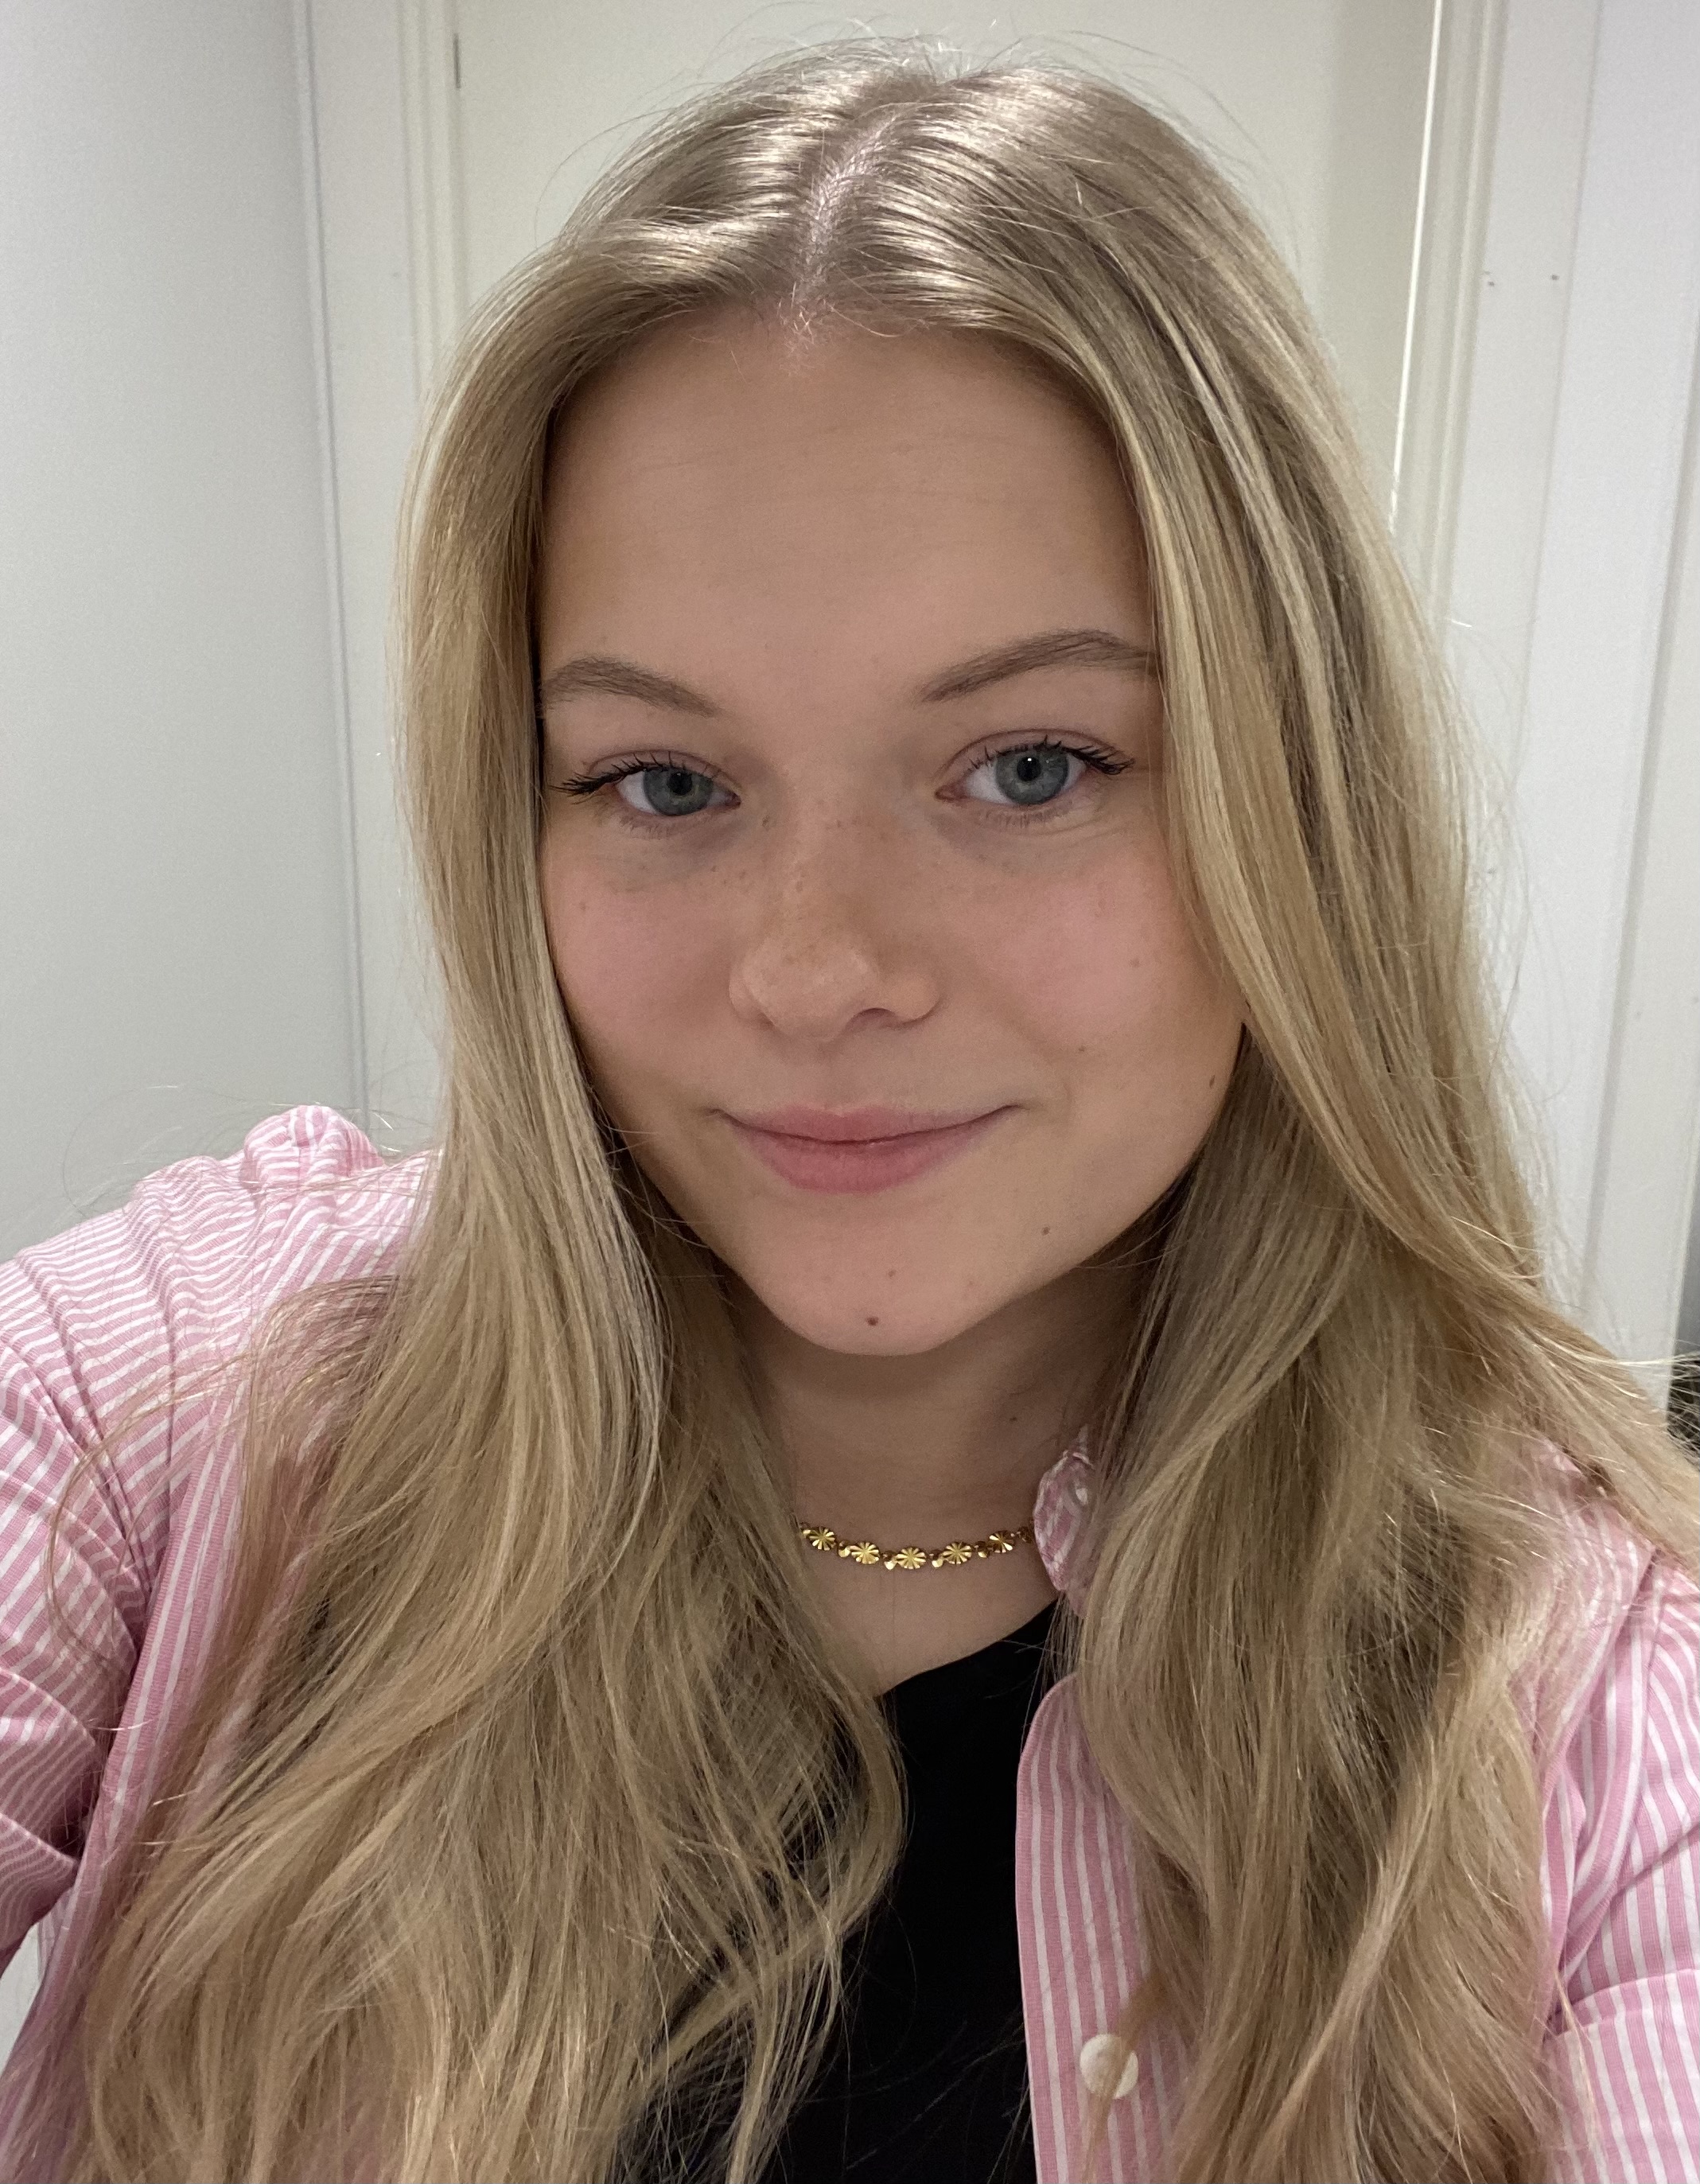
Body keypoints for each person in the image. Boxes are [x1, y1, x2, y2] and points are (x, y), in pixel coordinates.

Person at [1, 37, 1695, 2184]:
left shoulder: (1585, 1720)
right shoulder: (173, 1407)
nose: (815, 970)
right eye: (665, 783)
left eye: (1027, 767)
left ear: (1296, 802)